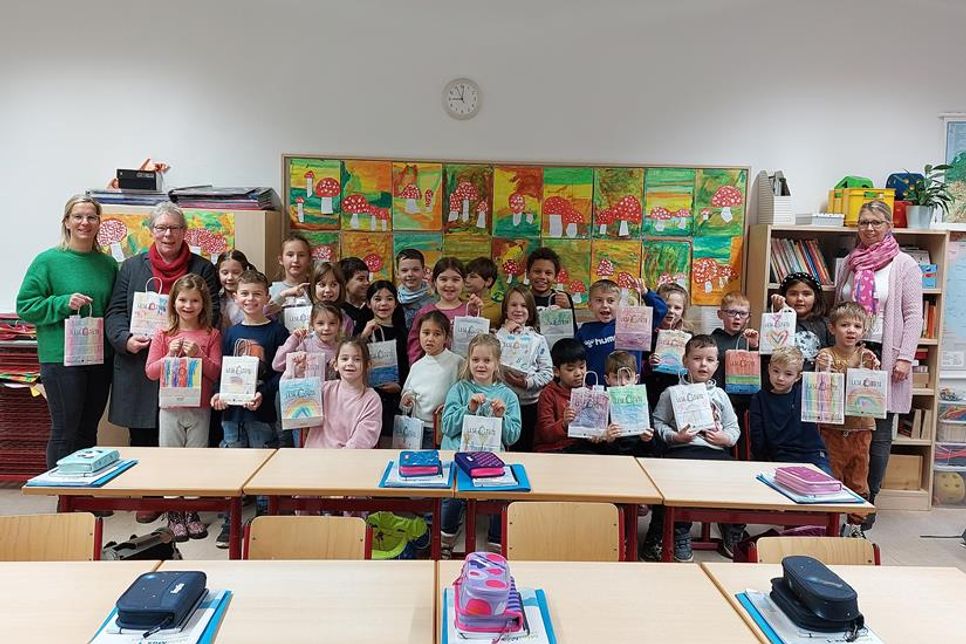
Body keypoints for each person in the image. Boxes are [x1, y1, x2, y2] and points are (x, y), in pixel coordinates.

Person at [834, 200, 923, 531]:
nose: (869, 228)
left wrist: (904, 357)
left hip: (884, 355)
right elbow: (838, 305)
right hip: (848, 351)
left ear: (890, 226)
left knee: (877, 431)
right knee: (842, 428)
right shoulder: (850, 262)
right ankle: (838, 503)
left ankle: (865, 507)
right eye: (863, 222)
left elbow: (914, 316)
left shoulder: (905, 265)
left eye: (876, 222)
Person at [105, 202, 220, 453]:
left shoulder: (202, 268)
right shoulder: (132, 267)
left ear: (184, 231)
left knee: (189, 448)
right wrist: (125, 340)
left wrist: (188, 343)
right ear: (151, 230)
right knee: (143, 445)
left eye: (175, 228)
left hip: (188, 369)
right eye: (162, 227)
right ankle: (151, 493)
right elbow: (115, 312)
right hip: (140, 367)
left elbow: (213, 314)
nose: (168, 234)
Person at [16, 195, 118, 467]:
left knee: (88, 430)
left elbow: (114, 309)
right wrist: (62, 303)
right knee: (65, 430)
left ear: (99, 223)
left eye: (91, 217)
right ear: (67, 222)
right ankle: (64, 500)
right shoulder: (47, 261)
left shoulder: (107, 264)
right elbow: (26, 306)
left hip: (98, 356)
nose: (85, 222)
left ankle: (84, 495)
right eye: (78, 216)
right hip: (61, 358)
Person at [642, 335, 742, 563]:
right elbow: (658, 423)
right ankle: (678, 531)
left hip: (715, 451)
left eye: (709, 360)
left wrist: (724, 438)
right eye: (697, 359)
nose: (703, 364)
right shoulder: (672, 392)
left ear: (717, 364)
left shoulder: (720, 396)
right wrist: (676, 436)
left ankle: (733, 528)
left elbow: (734, 429)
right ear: (685, 360)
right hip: (682, 450)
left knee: (739, 478)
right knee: (671, 480)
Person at [211, 269, 289, 547]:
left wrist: (262, 393)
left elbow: (282, 373)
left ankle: (264, 520)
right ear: (235, 296)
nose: (251, 299)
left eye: (257, 293)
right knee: (233, 468)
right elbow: (223, 370)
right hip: (232, 415)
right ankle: (229, 522)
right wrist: (218, 395)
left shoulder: (277, 331)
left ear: (267, 296)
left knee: (264, 465)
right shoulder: (231, 333)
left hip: (262, 412)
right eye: (245, 293)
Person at [144, 273, 222, 540]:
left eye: (195, 301)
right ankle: (174, 512)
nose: (188, 306)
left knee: (196, 460)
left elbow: (216, 372)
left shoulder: (211, 335)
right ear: (173, 302)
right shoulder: (163, 334)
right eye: (183, 300)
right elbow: (151, 372)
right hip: (170, 408)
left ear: (203, 304)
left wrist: (198, 355)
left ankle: (191, 510)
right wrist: (169, 356)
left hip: (199, 407)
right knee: (171, 460)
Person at [440, 334, 521, 556]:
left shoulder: (509, 396)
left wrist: (501, 417)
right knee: (452, 491)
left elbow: (513, 436)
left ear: (496, 364)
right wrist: (470, 409)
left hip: (492, 459)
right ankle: (446, 536)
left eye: (487, 360)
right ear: (468, 361)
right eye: (475, 360)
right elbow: (447, 426)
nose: (481, 365)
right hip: (458, 454)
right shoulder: (459, 389)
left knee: (502, 491)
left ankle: (496, 539)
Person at [815, 302, 881, 537]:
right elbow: (820, 384)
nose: (851, 330)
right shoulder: (826, 355)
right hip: (832, 428)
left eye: (857, 326)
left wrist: (872, 369)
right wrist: (823, 370)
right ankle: (830, 524)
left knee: (858, 479)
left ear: (864, 330)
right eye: (844, 325)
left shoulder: (867, 356)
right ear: (832, 329)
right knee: (832, 477)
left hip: (861, 429)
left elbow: (874, 387)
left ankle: (855, 526)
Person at [749, 346, 830, 473]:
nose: (780, 378)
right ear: (769, 369)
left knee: (825, 487)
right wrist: (762, 461)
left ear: (798, 377)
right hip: (779, 457)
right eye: (776, 371)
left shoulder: (807, 393)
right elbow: (757, 436)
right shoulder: (760, 398)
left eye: (788, 374)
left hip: (813, 455)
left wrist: (825, 370)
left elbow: (828, 397)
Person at [494, 285, 553, 452]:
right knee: (502, 445)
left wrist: (526, 382)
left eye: (524, 305)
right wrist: (504, 332)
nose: (518, 309)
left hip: (528, 404)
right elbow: (489, 355)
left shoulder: (538, 339)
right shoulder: (498, 335)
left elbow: (547, 372)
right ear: (505, 309)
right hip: (500, 402)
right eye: (513, 305)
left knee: (524, 447)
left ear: (531, 310)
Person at [575, 278, 666, 382]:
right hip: (596, 392)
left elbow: (661, 310)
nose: (605, 305)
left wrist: (646, 293)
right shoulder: (584, 332)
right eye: (599, 300)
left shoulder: (633, 324)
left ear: (619, 305)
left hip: (629, 392)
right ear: (590, 306)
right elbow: (577, 362)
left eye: (611, 301)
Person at [355, 281, 410, 447]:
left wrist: (400, 386)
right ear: (369, 304)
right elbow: (351, 355)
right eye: (377, 299)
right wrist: (364, 335)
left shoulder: (402, 332)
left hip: (393, 397)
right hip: (365, 395)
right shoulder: (362, 331)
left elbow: (406, 364)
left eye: (389, 299)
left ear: (396, 303)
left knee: (388, 441)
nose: (383, 303)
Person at [400, 311, 465, 449]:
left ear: (446, 338)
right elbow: (407, 396)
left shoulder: (457, 362)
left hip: (444, 429)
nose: (430, 338)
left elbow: (465, 392)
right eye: (426, 333)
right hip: (418, 428)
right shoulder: (417, 366)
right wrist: (407, 400)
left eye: (437, 334)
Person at [302, 338, 382, 449]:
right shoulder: (324, 389)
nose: (350, 363)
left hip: (347, 460)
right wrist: (295, 372)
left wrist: (339, 459)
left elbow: (363, 439)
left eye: (357, 359)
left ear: (367, 365)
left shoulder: (371, 399)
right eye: (344, 358)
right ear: (335, 364)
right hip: (313, 456)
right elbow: (295, 409)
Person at [710, 291, 760, 453]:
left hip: (745, 402)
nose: (737, 317)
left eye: (742, 314)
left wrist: (754, 347)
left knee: (743, 442)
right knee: (720, 440)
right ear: (720, 314)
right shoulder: (712, 340)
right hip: (720, 401)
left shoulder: (749, 339)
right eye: (731, 312)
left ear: (749, 317)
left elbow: (764, 369)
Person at [407, 257, 483, 364]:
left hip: (464, 371)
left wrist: (477, 313)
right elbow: (414, 345)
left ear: (464, 282)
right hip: (434, 371)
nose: (449, 284)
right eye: (443, 279)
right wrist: (417, 368)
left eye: (456, 280)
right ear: (434, 281)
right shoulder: (425, 312)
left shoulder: (470, 310)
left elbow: (480, 343)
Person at [535, 338, 603, 453]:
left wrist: (598, 435)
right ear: (556, 371)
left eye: (582, 367)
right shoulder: (548, 394)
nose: (578, 373)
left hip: (582, 447)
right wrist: (564, 423)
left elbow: (595, 428)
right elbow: (545, 434)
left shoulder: (591, 393)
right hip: (554, 449)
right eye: (570, 369)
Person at [645, 283, 693, 412]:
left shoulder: (688, 337)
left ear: (683, 311)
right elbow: (636, 364)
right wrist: (648, 363)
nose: (671, 311)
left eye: (677, 307)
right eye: (667, 306)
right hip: (650, 393)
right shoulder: (646, 334)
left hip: (678, 394)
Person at [770, 272, 831, 371]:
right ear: (784, 296)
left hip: (813, 381)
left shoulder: (826, 324)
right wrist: (784, 312)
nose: (799, 299)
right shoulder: (777, 321)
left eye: (806, 294)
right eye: (793, 294)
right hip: (785, 380)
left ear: (816, 297)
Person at [605, 350, 659, 457]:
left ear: (636, 379)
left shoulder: (643, 403)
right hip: (612, 457)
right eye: (616, 377)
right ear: (607, 380)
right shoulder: (603, 405)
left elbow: (653, 447)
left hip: (639, 455)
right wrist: (608, 439)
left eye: (628, 377)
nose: (623, 383)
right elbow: (599, 448)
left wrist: (647, 439)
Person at [273, 302, 342, 382]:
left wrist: (337, 368)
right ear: (312, 324)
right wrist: (294, 340)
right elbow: (277, 365)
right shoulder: (305, 344)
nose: (326, 328)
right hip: (306, 392)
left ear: (340, 324)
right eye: (320, 323)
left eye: (332, 323)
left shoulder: (343, 349)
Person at [526, 247, 577, 335]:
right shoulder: (522, 298)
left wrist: (567, 310)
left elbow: (573, 332)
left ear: (555, 277)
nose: (542, 276)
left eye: (548, 273)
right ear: (528, 274)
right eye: (537, 271)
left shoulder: (563, 298)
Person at [267, 233, 312, 317]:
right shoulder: (272, 291)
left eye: (301, 255)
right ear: (281, 260)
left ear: (309, 259)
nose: (295, 260)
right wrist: (283, 295)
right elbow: (263, 314)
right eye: (290, 255)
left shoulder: (316, 289)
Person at [307, 261, 353, 336]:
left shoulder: (346, 320)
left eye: (333, 285)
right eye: (322, 285)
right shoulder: (305, 315)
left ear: (340, 287)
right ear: (313, 287)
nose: (328, 290)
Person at [396, 248, 435, 331]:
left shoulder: (433, 302)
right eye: (404, 270)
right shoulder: (393, 299)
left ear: (424, 272)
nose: (410, 274)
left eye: (415, 270)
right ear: (397, 274)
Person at [214, 250, 253, 332]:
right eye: (225, 273)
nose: (230, 277)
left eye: (236, 272)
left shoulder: (251, 301)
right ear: (218, 273)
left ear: (245, 271)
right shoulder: (216, 302)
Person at [465, 256, 502, 326]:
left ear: (488, 281)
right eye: (465, 276)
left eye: (472, 277)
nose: (466, 280)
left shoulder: (496, 310)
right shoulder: (460, 302)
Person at [338, 256, 370, 329]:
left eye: (367, 278)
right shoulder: (339, 313)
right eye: (361, 279)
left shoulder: (368, 309)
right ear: (344, 282)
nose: (367, 283)